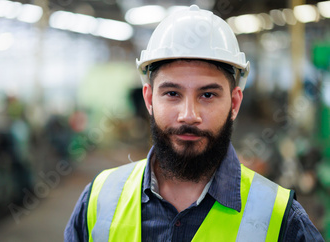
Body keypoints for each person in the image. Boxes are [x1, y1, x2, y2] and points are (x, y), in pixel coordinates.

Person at [64, 5, 324, 241]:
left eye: (207, 95)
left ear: (234, 103)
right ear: (149, 99)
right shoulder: (98, 202)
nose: (189, 115)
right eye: (172, 93)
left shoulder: (282, 220)